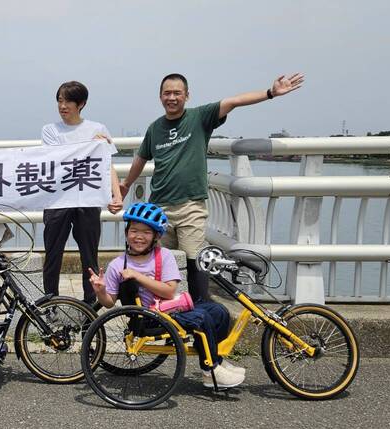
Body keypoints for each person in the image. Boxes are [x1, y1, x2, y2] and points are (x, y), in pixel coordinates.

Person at [118, 73, 304, 302]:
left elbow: (233, 102)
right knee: (159, 261)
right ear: (160, 97)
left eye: (177, 93)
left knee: (194, 260)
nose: (172, 97)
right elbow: (141, 158)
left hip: (190, 206)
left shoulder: (199, 117)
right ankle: (163, 316)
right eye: (167, 93)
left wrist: (270, 93)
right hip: (159, 206)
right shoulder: (155, 128)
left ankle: (199, 311)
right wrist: (126, 184)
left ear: (187, 95)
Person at [88, 202, 244, 388]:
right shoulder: (117, 265)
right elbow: (108, 303)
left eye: (146, 232)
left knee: (218, 311)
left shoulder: (164, 256)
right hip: (149, 319)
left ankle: (215, 356)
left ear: (156, 236)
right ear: (126, 232)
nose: (139, 237)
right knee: (201, 317)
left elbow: (169, 291)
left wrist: (137, 276)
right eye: (134, 231)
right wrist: (100, 291)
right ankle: (210, 370)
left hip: (169, 309)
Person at [41, 80, 123, 304]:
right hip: (58, 200)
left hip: (87, 200)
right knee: (53, 254)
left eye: (68, 101)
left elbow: (107, 166)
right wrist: (90, 145)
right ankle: (50, 302)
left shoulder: (98, 129)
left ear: (81, 104)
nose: (62, 105)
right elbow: (57, 160)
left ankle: (91, 303)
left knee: (89, 254)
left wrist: (116, 195)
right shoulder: (50, 131)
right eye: (59, 100)